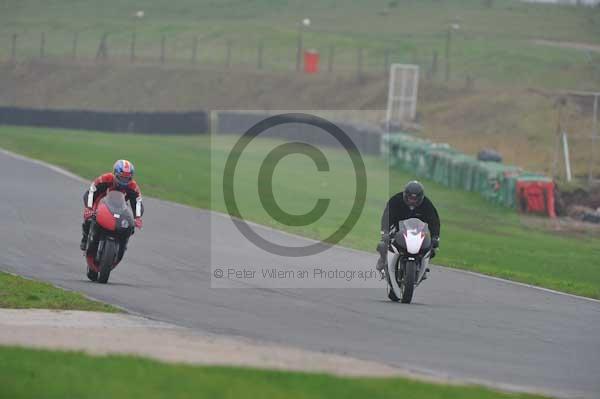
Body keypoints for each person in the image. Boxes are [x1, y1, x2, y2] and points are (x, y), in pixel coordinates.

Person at [376, 180, 440, 273]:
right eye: (410, 198)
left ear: (421, 197)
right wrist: (385, 232)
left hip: (418, 233)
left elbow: (434, 221)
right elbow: (387, 216)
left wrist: (435, 237)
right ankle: (383, 259)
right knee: (382, 245)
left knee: (431, 250)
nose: (412, 201)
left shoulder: (427, 204)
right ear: (405, 195)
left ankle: (421, 266)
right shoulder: (395, 200)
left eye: (415, 199)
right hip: (398, 231)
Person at [80, 160, 144, 251]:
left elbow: (138, 202)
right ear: (115, 174)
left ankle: (123, 244)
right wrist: (89, 208)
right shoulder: (105, 178)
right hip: (100, 204)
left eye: (127, 179)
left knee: (130, 226)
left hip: (120, 207)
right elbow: (91, 191)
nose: (124, 181)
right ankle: (85, 238)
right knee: (89, 219)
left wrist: (137, 217)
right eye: (121, 178)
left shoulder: (133, 186)